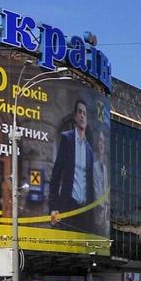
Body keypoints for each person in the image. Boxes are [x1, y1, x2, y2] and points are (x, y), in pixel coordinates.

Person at [48, 98, 97, 231]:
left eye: (85, 113)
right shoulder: (66, 139)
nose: (82, 116)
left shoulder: (89, 150)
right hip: (68, 206)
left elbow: (91, 185)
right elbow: (56, 175)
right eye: (80, 112)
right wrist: (53, 208)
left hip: (85, 211)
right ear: (75, 116)